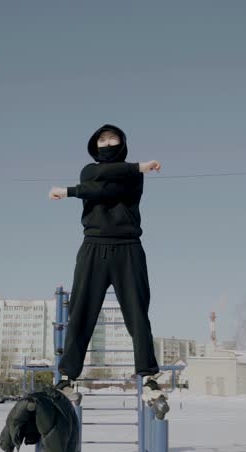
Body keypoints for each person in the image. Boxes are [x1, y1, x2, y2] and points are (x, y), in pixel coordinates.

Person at [48, 124, 168, 416]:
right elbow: (96, 185)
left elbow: (110, 188)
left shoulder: (134, 176)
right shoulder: (89, 170)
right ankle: (67, 378)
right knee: (81, 311)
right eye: (102, 140)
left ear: (122, 144)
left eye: (112, 138)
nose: (107, 143)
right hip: (93, 246)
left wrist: (68, 192)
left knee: (138, 312)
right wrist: (139, 166)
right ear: (95, 146)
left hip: (129, 247)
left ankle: (150, 378)